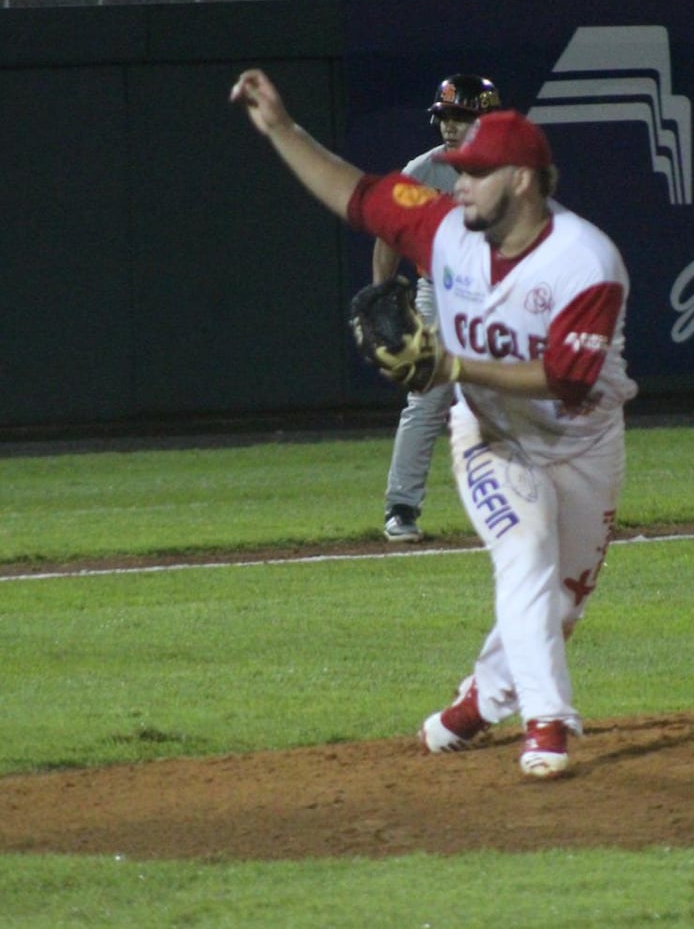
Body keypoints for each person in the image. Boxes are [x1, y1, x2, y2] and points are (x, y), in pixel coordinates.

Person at [231, 69, 637, 779]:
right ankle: (547, 723)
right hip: (490, 436)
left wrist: (454, 366)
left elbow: (567, 379)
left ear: (521, 179)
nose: (459, 185)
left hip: (583, 440)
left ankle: (474, 705)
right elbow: (355, 194)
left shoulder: (586, 262)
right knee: (525, 550)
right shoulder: (441, 226)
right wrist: (282, 130)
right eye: (458, 172)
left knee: (562, 605)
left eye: (475, 174)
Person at [379, 74, 501, 543]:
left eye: (462, 117)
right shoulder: (423, 171)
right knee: (427, 395)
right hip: (440, 290)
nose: (451, 126)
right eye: (446, 116)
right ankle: (401, 507)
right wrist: (382, 292)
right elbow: (389, 231)